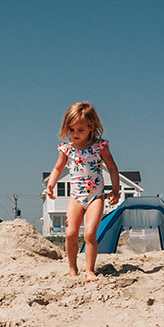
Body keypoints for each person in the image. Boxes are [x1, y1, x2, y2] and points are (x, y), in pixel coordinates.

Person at [44, 102, 121, 281]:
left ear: (91, 127)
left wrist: (115, 190)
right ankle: (72, 268)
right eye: (71, 130)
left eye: (80, 130)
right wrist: (51, 184)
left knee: (89, 233)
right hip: (76, 197)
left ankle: (90, 270)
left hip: (96, 196)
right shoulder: (67, 149)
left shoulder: (99, 147)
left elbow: (112, 168)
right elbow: (57, 169)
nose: (75, 134)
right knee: (70, 234)